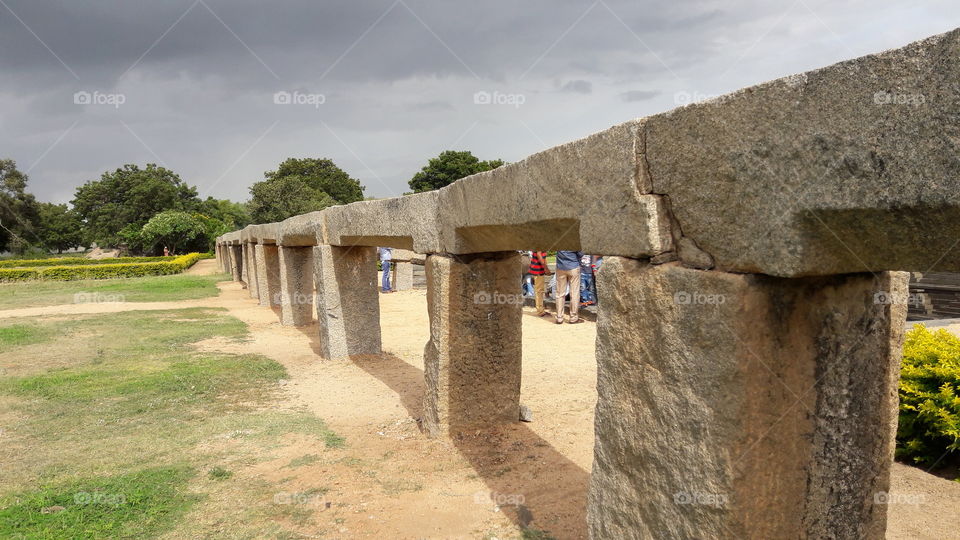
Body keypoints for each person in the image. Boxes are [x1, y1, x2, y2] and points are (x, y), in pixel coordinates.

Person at [554, 250, 583, 324]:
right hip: (573, 266)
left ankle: (559, 317)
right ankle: (573, 317)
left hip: (560, 267)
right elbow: (581, 253)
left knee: (560, 294)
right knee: (574, 293)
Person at [529, 250, 550, 317]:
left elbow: (542, 256)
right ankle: (540, 310)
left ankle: (540, 309)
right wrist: (546, 268)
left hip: (538, 269)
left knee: (539, 290)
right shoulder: (540, 244)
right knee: (539, 290)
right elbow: (539, 254)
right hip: (538, 270)